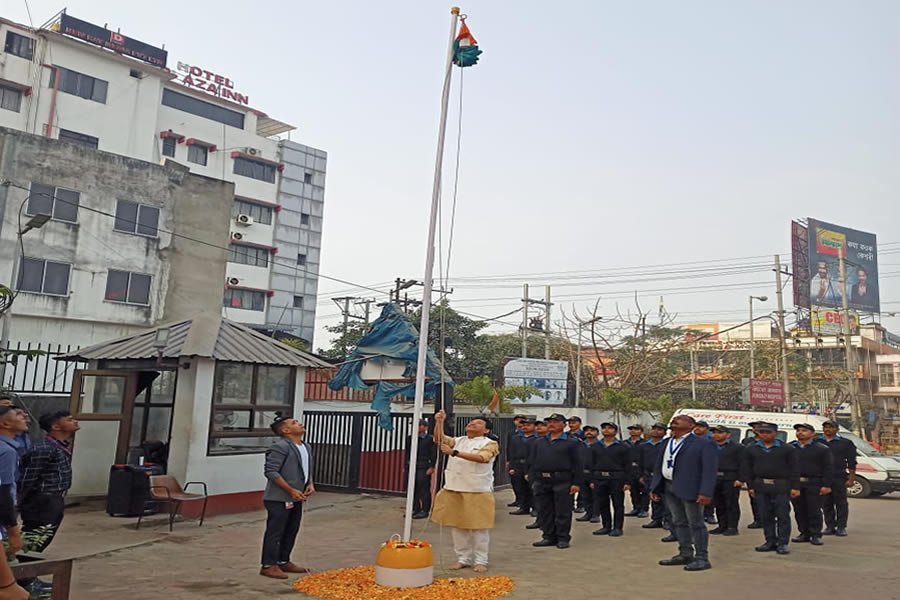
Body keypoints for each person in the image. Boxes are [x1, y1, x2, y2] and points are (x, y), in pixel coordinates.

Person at [431, 411, 499, 572]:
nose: (472, 424)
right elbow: (438, 438)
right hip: (454, 487)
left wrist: (454, 453)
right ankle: (463, 558)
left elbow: (483, 458)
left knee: (479, 528)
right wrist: (439, 422)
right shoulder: (458, 440)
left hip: (477, 489)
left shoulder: (490, 443)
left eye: (478, 423)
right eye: (471, 422)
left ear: (486, 430)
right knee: (457, 526)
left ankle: (481, 560)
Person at [649, 415, 718, 572]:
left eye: (680, 419)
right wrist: (654, 487)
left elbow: (709, 470)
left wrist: (705, 492)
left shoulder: (703, 444)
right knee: (678, 521)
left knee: (696, 523)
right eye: (674, 420)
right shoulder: (666, 442)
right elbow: (659, 465)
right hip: (669, 486)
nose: (674, 421)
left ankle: (702, 558)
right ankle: (685, 553)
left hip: (691, 488)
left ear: (691, 425)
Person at [260, 416, 314, 579]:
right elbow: (271, 471)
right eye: (294, 423)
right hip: (279, 498)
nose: (300, 424)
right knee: (275, 531)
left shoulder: (306, 446)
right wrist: (290, 490)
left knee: (291, 529)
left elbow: (305, 468)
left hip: (297, 496)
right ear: (285, 430)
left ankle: (283, 560)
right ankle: (268, 565)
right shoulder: (280, 447)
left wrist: (310, 483)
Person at [18, 411, 79, 554]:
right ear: (56, 427)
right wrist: (19, 502)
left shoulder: (60, 446)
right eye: (69, 420)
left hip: (55, 498)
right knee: (35, 536)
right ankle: (22, 564)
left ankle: (26, 563)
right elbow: (28, 478)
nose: (75, 421)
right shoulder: (44, 448)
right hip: (42, 499)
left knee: (44, 535)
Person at [740, 422, 800, 555]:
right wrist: (751, 486)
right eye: (762, 432)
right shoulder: (751, 449)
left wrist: (795, 487)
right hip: (761, 486)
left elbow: (794, 469)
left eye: (768, 432)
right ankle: (770, 541)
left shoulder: (787, 449)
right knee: (766, 515)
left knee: (782, 515)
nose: (765, 435)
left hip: (781, 486)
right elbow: (747, 468)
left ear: (775, 433)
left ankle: (783, 543)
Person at [528, 413, 582, 549]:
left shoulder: (572, 442)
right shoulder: (539, 442)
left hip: (562, 480)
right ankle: (548, 536)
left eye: (556, 421)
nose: (551, 424)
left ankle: (563, 538)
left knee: (562, 511)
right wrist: (533, 479)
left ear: (564, 424)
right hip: (542, 481)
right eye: (549, 422)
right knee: (544, 511)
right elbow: (532, 461)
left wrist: (576, 483)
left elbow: (579, 464)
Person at [789, 424, 833, 546]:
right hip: (796, 483)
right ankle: (804, 533)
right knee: (799, 509)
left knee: (814, 510)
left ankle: (815, 534)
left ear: (812, 433)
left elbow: (828, 468)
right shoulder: (791, 448)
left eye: (804, 430)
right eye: (798, 430)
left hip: (814, 483)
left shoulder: (821, 449)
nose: (800, 432)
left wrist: (826, 485)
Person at [589, 422, 630, 537]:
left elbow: (628, 465)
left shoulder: (623, 447)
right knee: (602, 503)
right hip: (599, 477)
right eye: (604, 428)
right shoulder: (595, 446)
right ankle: (606, 526)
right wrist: (592, 480)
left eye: (610, 428)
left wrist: (627, 482)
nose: (606, 430)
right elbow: (590, 463)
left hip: (616, 478)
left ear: (616, 432)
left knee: (618, 504)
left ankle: (617, 527)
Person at [819, 419, 856, 537]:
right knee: (826, 503)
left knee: (841, 503)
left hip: (839, 476)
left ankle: (841, 527)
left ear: (837, 429)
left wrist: (851, 478)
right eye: (826, 427)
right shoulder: (817, 442)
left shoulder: (846, 443)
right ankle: (830, 526)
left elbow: (851, 462)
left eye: (831, 427)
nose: (828, 429)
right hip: (822, 477)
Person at [708, 425, 744, 536]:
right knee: (718, 503)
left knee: (731, 503)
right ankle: (722, 525)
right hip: (714, 478)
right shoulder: (709, 446)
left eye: (720, 432)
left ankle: (732, 526)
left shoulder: (738, 447)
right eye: (714, 432)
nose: (716, 435)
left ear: (728, 435)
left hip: (730, 478)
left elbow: (743, 464)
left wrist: (741, 479)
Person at [405, 419, 436, 519]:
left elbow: (433, 453)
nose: (416, 427)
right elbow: (407, 453)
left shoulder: (429, 439)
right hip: (412, 465)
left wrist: (432, 466)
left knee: (424, 488)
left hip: (424, 465)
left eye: (419, 425)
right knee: (412, 488)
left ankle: (425, 510)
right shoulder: (410, 438)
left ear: (425, 427)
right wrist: (406, 466)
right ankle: (415, 508)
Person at [640, 423, 669, 530]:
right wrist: (641, 475)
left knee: (665, 499)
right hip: (649, 475)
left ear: (665, 432)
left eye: (660, 429)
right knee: (654, 497)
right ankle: (656, 519)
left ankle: (667, 520)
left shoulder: (666, 444)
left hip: (662, 475)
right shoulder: (644, 445)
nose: (656, 431)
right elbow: (640, 461)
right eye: (654, 429)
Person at [507, 418, 537, 516]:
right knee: (520, 486)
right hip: (518, 464)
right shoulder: (515, 438)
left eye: (528, 425)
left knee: (532, 487)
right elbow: (511, 452)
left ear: (534, 426)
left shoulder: (537, 438)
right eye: (523, 425)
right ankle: (524, 507)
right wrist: (511, 466)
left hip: (531, 465)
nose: (525, 427)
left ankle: (535, 508)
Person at [575, 426, 600, 523]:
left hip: (595, 474)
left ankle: (596, 514)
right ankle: (588, 513)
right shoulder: (580, 445)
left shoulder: (600, 445)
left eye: (592, 430)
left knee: (596, 495)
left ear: (597, 433)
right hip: (582, 473)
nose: (589, 432)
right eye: (587, 431)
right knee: (585, 495)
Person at [742, 421, 764, 529]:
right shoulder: (747, 441)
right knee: (754, 497)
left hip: (768, 473)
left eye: (758, 427)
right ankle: (758, 519)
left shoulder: (772, 441)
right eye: (754, 428)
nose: (756, 429)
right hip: (752, 473)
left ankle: (770, 518)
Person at [623, 425, 648, 518]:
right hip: (629, 470)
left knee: (644, 490)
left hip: (641, 470)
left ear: (641, 431)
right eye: (631, 429)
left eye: (636, 429)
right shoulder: (625, 443)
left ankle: (644, 509)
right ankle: (636, 508)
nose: (633, 431)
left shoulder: (645, 443)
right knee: (633, 491)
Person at [506, 416, 527, 508]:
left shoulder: (531, 435)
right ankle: (518, 500)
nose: (519, 422)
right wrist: (509, 461)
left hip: (525, 462)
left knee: (524, 484)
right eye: (517, 420)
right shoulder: (512, 434)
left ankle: (525, 503)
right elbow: (510, 448)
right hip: (514, 461)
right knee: (515, 482)